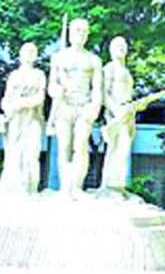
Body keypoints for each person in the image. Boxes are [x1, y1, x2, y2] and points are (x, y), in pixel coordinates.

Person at [48, 18, 102, 196]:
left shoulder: (93, 60)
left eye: (84, 31)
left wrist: (94, 107)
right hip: (63, 106)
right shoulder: (58, 58)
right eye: (77, 30)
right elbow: (51, 85)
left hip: (84, 106)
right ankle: (65, 187)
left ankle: (77, 187)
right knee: (63, 145)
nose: (81, 34)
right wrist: (56, 89)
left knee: (80, 145)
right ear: (70, 32)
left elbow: (97, 88)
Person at [0, 42, 46, 195]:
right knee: (15, 153)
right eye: (27, 51)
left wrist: (23, 103)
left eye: (33, 51)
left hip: (32, 118)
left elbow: (40, 97)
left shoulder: (39, 74)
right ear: (20, 54)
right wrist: (8, 108)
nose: (30, 53)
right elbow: (6, 98)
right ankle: (14, 188)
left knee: (32, 152)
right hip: (16, 119)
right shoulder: (15, 75)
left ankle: (31, 188)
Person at [100, 37, 135, 190]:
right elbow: (104, 94)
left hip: (127, 114)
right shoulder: (109, 68)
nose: (121, 48)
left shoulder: (126, 72)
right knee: (116, 147)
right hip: (115, 113)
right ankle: (110, 185)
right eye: (117, 46)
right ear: (111, 49)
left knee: (124, 148)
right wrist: (116, 111)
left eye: (123, 46)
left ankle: (119, 185)